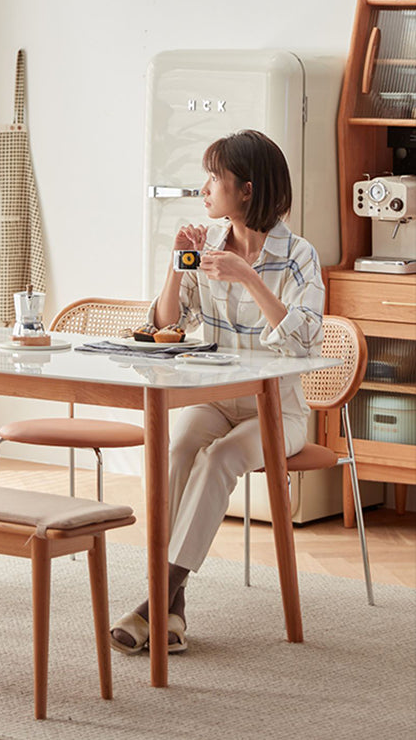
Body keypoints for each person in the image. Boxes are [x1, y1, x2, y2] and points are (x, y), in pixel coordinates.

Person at [110, 129, 325, 655]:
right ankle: (172, 612)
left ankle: (155, 598)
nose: (204, 188)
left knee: (219, 460)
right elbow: (166, 324)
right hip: (215, 397)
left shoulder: (299, 256)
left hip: (277, 410)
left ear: (246, 190)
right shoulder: (206, 247)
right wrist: (174, 262)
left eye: (214, 178)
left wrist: (250, 279)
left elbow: (304, 340)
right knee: (179, 445)